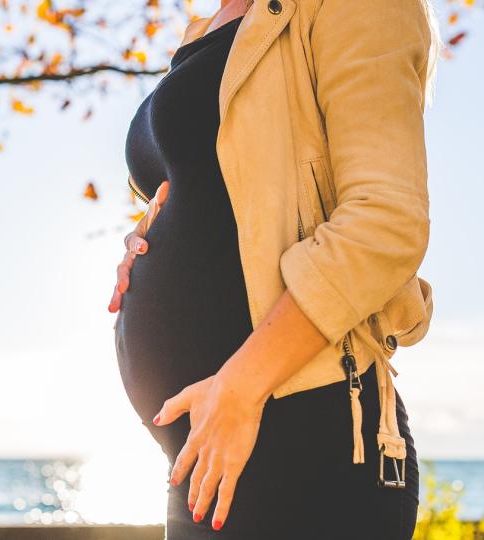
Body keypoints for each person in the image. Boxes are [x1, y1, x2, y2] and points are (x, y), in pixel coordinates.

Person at [108, 0, 440, 537]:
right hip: (205, 448)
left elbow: (386, 222)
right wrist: (144, 238)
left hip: (302, 438)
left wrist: (241, 386)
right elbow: (219, 197)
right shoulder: (207, 29)